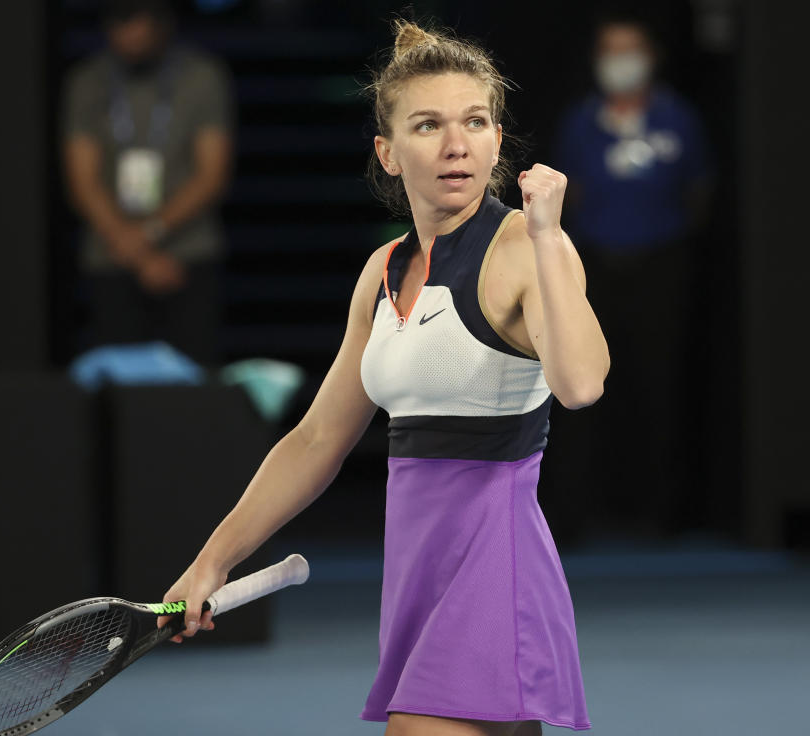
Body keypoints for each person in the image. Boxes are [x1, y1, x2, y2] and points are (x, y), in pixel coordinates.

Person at [157, 20, 608, 736]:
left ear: (498, 140)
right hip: (418, 572)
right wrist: (210, 563)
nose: (456, 144)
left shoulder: (526, 247)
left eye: (475, 122)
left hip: (496, 563)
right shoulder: (383, 270)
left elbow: (581, 384)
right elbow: (315, 442)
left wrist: (551, 236)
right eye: (427, 125)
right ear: (388, 153)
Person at [549, 13, 710, 537]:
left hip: (661, 266)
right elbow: (568, 193)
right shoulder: (580, 122)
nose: (622, 62)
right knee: (583, 390)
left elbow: (699, 190)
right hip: (593, 269)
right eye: (610, 50)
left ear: (651, 56)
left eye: (631, 49)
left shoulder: (677, 118)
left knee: (658, 387)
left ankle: (663, 516)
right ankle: (579, 515)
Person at [62, 0, 234, 362]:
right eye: (121, 18)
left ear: (162, 21)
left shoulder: (201, 76)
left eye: (139, 18)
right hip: (111, 255)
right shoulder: (88, 81)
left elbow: (212, 173)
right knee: (118, 388)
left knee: (190, 384)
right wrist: (139, 252)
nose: (133, 31)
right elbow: (82, 179)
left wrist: (147, 235)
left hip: (187, 252)